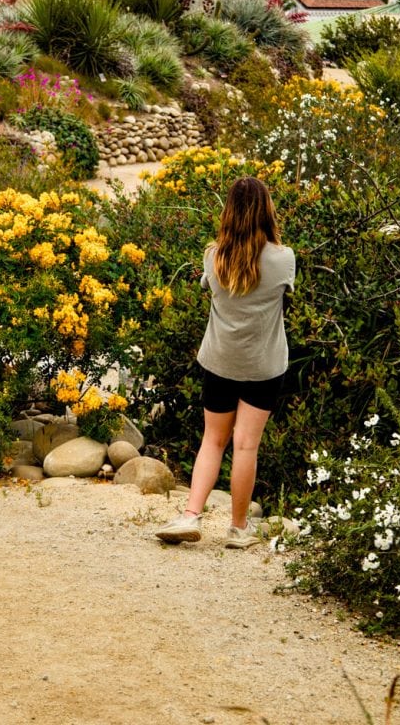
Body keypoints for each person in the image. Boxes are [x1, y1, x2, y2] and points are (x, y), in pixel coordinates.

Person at [155, 176, 295, 549]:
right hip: (263, 366)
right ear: (267, 210)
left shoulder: (213, 255)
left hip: (220, 362)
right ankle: (238, 528)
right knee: (246, 446)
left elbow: (209, 286)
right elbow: (283, 294)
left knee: (213, 441)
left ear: (228, 212)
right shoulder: (283, 259)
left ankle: (190, 515)